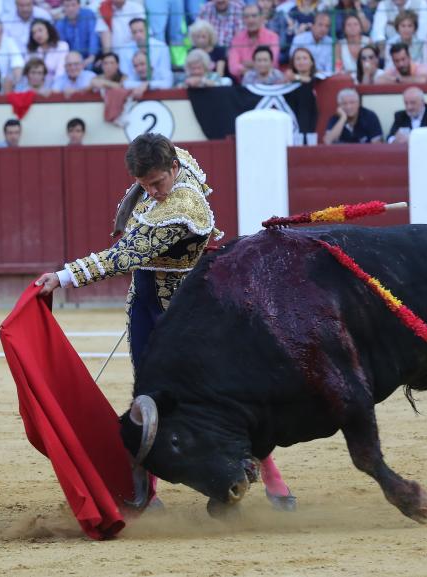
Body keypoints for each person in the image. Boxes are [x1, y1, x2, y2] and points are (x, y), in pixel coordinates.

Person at [34, 134, 296, 512]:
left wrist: (65, 276)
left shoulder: (183, 207)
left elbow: (124, 256)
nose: (153, 192)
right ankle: (146, 486)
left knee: (222, 393)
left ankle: (267, 474)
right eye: (145, 185)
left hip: (188, 309)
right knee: (148, 392)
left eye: (157, 182)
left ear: (173, 169)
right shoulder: (176, 159)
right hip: (146, 302)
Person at [228, 3, 280, 81]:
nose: (250, 20)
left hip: (270, 83)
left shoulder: (272, 37)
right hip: (243, 85)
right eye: (246, 17)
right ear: (243, 20)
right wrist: (260, 65)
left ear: (262, 17)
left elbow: (273, 63)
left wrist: (246, 65)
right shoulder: (237, 39)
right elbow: (233, 68)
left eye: (254, 16)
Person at [117, 18, 173, 85]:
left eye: (141, 31)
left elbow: (166, 79)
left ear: (148, 30)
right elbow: (125, 81)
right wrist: (143, 85)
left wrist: (148, 85)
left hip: (158, 88)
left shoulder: (162, 47)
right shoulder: (124, 50)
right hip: (134, 90)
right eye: (134, 32)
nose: (138, 35)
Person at [56, 0, 100, 70]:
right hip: (72, 61)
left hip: (91, 57)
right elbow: (63, 46)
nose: (70, 9)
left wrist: (91, 57)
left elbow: (93, 37)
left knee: (91, 66)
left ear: (79, 5)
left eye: (73, 5)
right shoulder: (60, 24)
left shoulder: (88, 14)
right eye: (67, 6)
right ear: (63, 8)